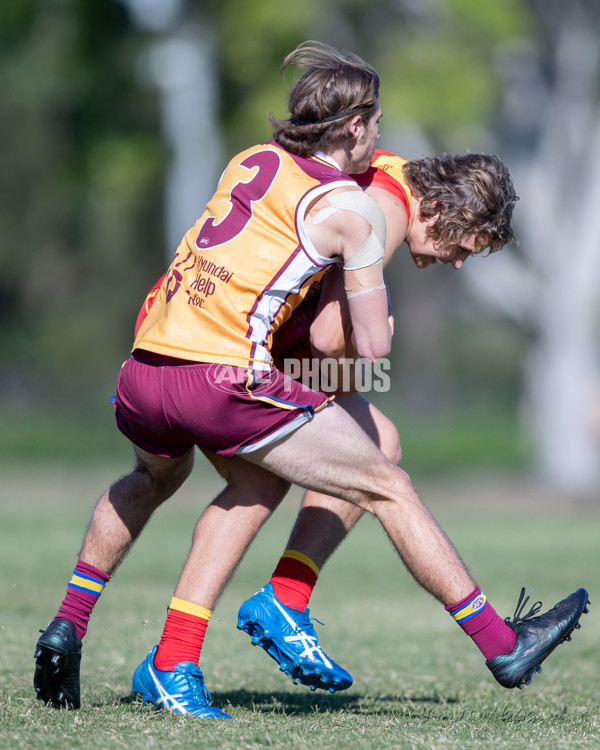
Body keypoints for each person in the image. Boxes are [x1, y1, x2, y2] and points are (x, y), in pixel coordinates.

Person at [33, 41, 589, 720]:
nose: (384, 136)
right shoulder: (356, 212)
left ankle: (76, 623)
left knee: (190, 480)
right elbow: (344, 338)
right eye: (378, 122)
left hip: (145, 366)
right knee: (385, 473)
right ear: (353, 127)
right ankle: (501, 644)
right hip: (221, 378)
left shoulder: (252, 160)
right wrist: (373, 330)